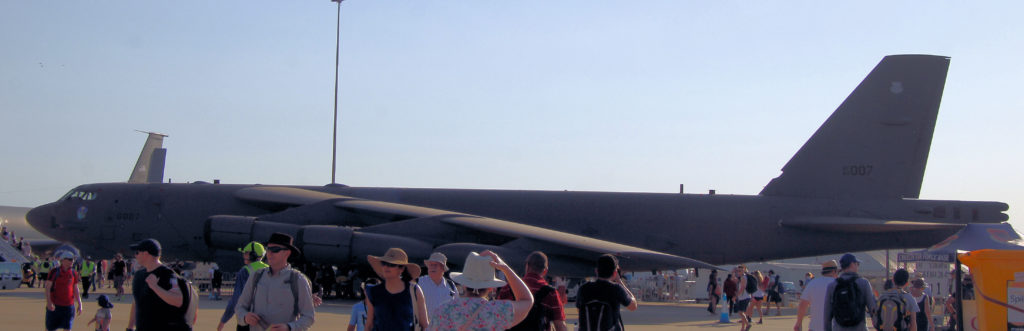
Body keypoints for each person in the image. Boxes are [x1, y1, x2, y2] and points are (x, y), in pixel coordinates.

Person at [428, 250, 533, 330]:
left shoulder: (442, 311)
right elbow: (527, 300)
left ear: (463, 284)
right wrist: (505, 268)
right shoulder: (498, 311)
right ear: (491, 288)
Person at [235, 233, 316, 331]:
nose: (269, 253)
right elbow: (240, 307)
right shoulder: (256, 276)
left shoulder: (299, 280)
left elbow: (308, 317)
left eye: (275, 250)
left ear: (287, 253)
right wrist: (245, 317)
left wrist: (289, 327)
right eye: (268, 249)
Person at [127, 238, 190, 331]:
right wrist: (130, 327)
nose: (135, 256)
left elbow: (178, 300)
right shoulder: (139, 275)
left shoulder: (168, 274)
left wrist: (154, 286)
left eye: (137, 252)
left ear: (146, 254)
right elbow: (137, 302)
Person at [498, 251, 568, 331]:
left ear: (527, 266)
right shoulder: (551, 293)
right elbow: (560, 326)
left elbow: (499, 319)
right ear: (545, 271)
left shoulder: (508, 288)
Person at [365, 247, 429, 331]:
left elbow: (424, 324)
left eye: (392, 265)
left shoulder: (414, 290)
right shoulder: (373, 291)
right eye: (384, 263)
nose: (386, 267)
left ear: (401, 269)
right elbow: (369, 324)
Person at [576, 254, 639, 331]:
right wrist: (619, 281)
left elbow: (580, 312)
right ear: (615, 273)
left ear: (596, 270)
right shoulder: (616, 289)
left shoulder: (583, 289)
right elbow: (633, 306)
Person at [218, 241, 270, 331]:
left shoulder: (245, 271)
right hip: (266, 321)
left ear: (253, 255)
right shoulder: (270, 270)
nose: (244, 256)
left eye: (246, 253)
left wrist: (224, 320)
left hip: (248, 319)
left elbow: (236, 299)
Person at [823, 253, 877, 331]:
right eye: (857, 264)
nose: (858, 266)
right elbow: (872, 308)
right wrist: (878, 325)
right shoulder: (863, 283)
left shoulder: (832, 286)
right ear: (852, 264)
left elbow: (827, 313)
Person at [794, 260, 838, 331]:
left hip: (815, 328)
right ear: (834, 271)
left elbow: (802, 305)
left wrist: (798, 323)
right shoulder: (840, 284)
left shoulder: (813, 283)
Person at [45, 250, 82, 331]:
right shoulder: (54, 272)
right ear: (62, 260)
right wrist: (49, 302)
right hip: (55, 306)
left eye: (73, 259)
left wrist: (80, 303)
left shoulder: (73, 272)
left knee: (67, 328)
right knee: (50, 328)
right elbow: (47, 288)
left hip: (68, 306)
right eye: (70, 259)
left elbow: (76, 289)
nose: (72, 261)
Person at [417, 252, 459, 318]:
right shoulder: (419, 282)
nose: (432, 267)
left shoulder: (451, 286)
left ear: (443, 268)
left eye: (435, 265)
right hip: (425, 327)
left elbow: (457, 306)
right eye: (430, 265)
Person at [735, 266, 753, 331]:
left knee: (740, 312)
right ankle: (743, 328)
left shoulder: (743, 277)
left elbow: (742, 288)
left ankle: (748, 325)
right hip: (746, 297)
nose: (739, 272)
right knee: (743, 313)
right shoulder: (744, 277)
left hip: (744, 297)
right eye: (738, 271)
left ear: (744, 270)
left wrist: (736, 295)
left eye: (740, 271)